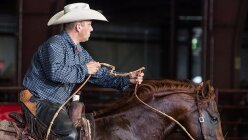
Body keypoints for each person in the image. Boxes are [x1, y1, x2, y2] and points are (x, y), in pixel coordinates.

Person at [20, 2, 144, 140]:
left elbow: (99, 75)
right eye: (90, 24)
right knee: (70, 135)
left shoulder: (80, 53)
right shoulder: (55, 44)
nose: (91, 29)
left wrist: (127, 79)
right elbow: (55, 72)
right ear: (79, 27)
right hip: (37, 100)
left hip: (55, 104)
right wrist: (85, 69)